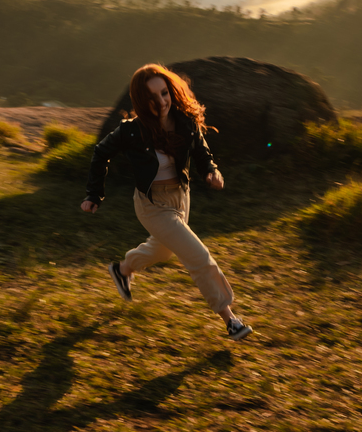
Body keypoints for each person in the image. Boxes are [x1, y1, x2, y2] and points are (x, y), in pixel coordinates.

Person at [81, 64, 252, 341]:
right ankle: (230, 319)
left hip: (181, 197)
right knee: (198, 257)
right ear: (141, 100)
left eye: (164, 93)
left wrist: (211, 172)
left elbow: (202, 153)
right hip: (152, 205)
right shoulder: (131, 131)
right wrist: (93, 194)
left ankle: (122, 270)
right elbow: (100, 153)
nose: (161, 102)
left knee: (162, 252)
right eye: (152, 97)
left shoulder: (184, 121)